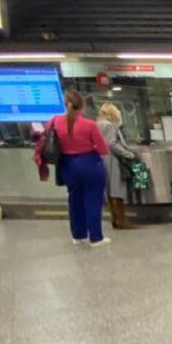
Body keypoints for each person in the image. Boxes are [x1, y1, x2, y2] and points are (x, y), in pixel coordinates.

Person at [51, 91, 111, 247]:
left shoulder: (55, 121)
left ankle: (78, 236)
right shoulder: (89, 125)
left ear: (66, 104)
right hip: (90, 164)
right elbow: (103, 149)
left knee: (74, 200)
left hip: (67, 165)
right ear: (82, 106)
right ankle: (96, 237)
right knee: (93, 200)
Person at [96, 103, 138, 230]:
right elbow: (112, 144)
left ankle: (115, 219)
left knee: (109, 191)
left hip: (102, 159)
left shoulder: (97, 124)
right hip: (112, 160)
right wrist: (128, 154)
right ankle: (121, 219)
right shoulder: (109, 126)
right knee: (117, 190)